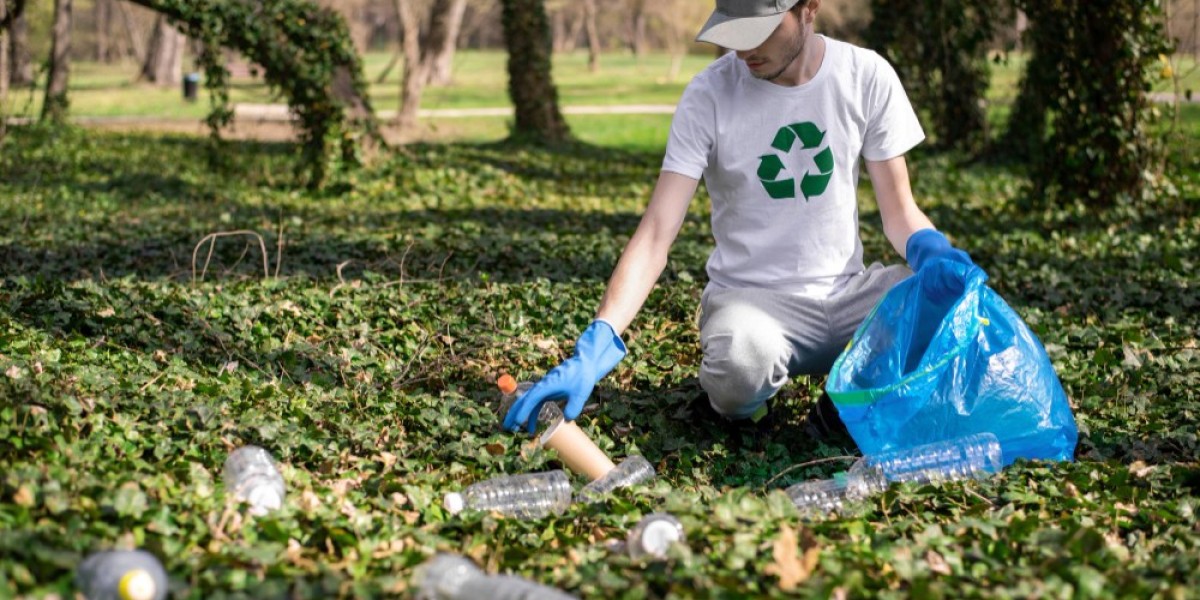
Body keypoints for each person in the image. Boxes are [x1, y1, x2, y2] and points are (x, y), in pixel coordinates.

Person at [503, 0, 980, 438]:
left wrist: (931, 252)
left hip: (845, 294)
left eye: (761, 29)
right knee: (740, 364)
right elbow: (655, 235)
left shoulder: (865, 75)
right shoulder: (709, 95)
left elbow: (899, 212)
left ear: (809, 8)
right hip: (752, 305)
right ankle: (749, 407)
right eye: (734, 29)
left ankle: (840, 406)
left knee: (940, 304)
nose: (743, 48)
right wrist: (596, 345)